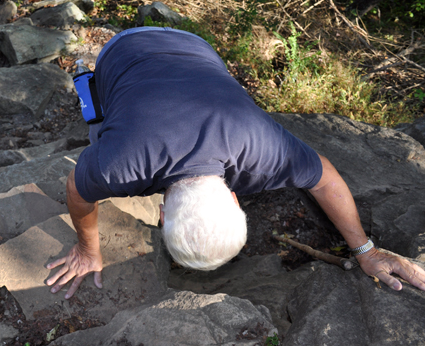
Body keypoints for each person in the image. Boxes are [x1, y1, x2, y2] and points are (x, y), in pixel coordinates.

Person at [45, 27, 425, 299]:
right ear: (235, 200)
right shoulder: (119, 164)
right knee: (102, 131)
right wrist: (87, 251)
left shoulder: (262, 150)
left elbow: (326, 179)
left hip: (193, 47)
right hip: (125, 50)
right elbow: (76, 191)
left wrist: (367, 251)